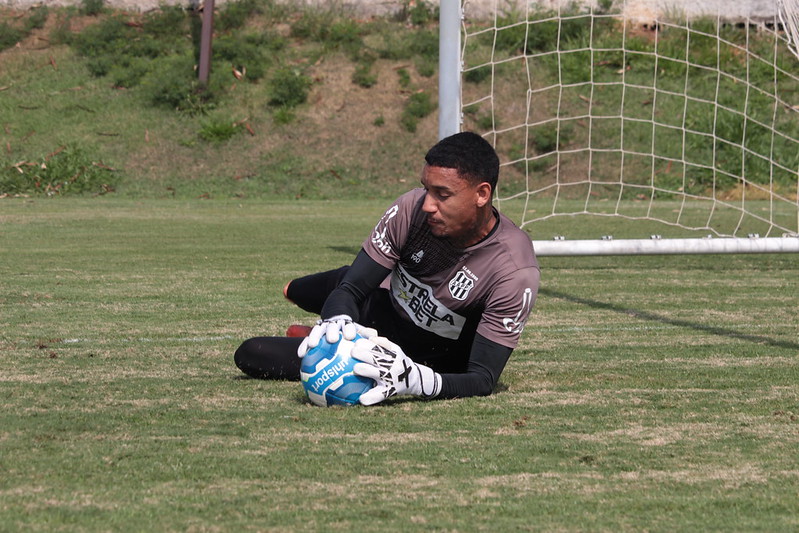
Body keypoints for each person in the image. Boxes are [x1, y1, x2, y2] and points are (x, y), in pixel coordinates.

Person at [234, 131, 540, 404]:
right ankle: (329, 330)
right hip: (378, 304)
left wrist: (419, 381)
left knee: (252, 353)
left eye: (442, 194)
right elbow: (351, 289)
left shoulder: (513, 269)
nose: (427, 205)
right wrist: (337, 320)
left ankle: (319, 338)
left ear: (481, 194)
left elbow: (483, 378)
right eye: (426, 189)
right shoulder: (410, 209)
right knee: (299, 290)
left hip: (410, 355)